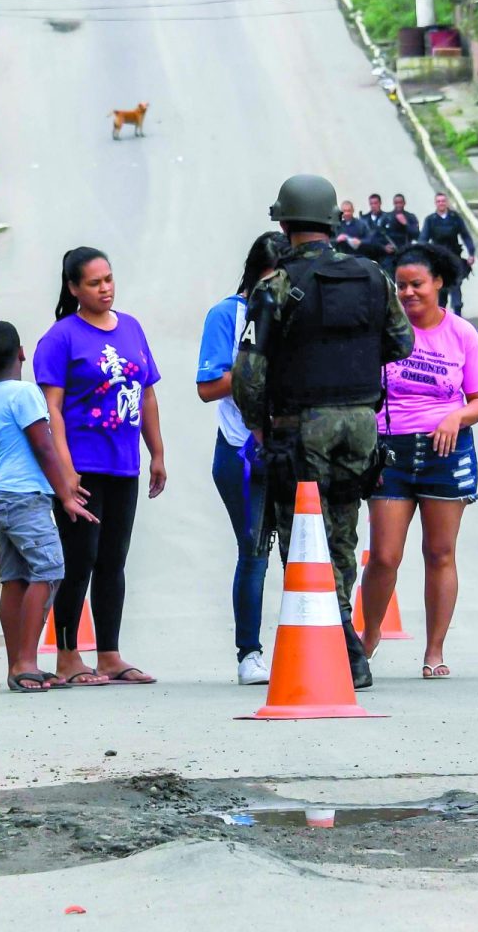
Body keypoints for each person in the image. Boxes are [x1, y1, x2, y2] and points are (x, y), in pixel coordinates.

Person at [234, 174, 413, 690]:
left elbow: (249, 374)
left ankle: (341, 647)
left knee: (301, 540)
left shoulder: (274, 288)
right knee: (341, 532)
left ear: (284, 224)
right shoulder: (373, 276)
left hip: (299, 427)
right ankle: (345, 640)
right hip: (359, 426)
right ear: (333, 221)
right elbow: (400, 345)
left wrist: (259, 426)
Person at [358, 244, 478, 678]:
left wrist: (456, 416)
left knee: (440, 553)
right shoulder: (384, 332)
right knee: (384, 555)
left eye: (417, 284)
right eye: (401, 286)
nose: (408, 293)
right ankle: (369, 635)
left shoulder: (462, 334)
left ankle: (435, 651)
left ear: (438, 283)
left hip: (445, 453)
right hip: (391, 450)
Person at [35, 247, 166, 686]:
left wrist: (157, 453)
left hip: (123, 465)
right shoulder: (61, 337)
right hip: (83, 468)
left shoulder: (131, 328)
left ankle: (109, 654)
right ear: (73, 288)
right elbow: (51, 409)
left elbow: (146, 394)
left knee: (113, 560)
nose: (105, 288)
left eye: (108, 279)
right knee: (79, 558)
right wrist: (65, 472)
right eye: (94, 283)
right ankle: (68, 656)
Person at [0, 321, 97, 691]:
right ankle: (27, 661)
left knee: (15, 578)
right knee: (49, 569)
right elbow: (43, 446)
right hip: (23, 498)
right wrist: (65, 494)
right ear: (22, 353)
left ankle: (17, 666)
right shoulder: (26, 394)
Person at [197, 233, 289, 685]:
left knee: (304, 552)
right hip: (241, 450)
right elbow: (207, 386)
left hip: (293, 446)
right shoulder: (227, 315)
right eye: (271, 280)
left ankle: (311, 646)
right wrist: (254, 375)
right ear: (255, 275)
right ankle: (248, 654)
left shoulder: (297, 313)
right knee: (254, 553)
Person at [420, 192, 477, 314]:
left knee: (456, 290)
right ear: (436, 203)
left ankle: (458, 318)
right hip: (439, 262)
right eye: (438, 201)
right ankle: (442, 321)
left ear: (446, 202)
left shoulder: (455, 218)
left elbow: (465, 235)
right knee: (441, 294)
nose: (441, 203)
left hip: (454, 259)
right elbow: (423, 240)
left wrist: (471, 253)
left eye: (443, 201)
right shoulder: (430, 220)